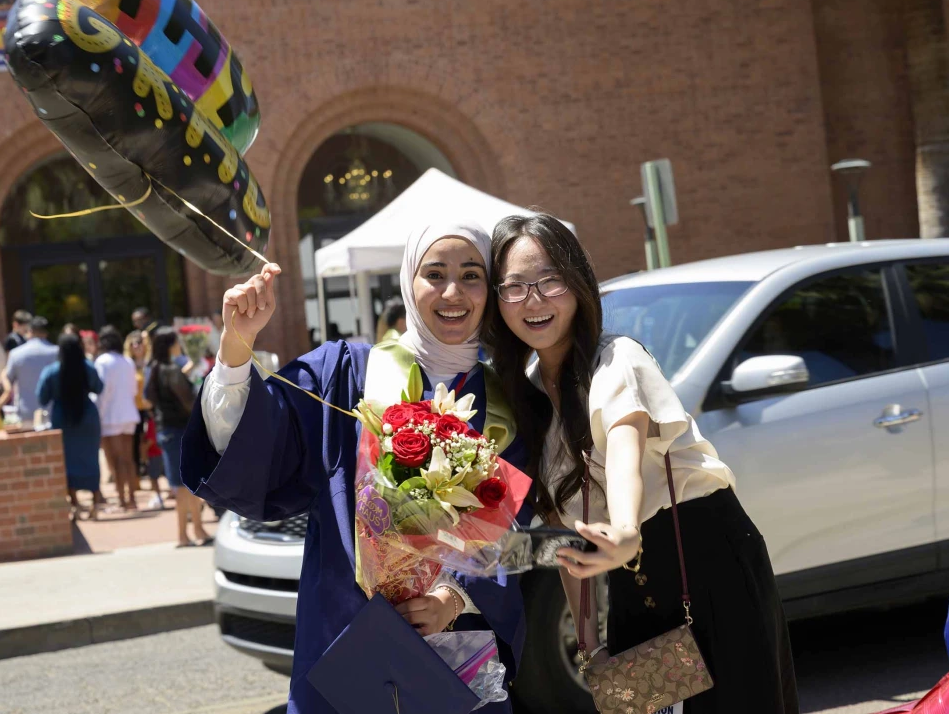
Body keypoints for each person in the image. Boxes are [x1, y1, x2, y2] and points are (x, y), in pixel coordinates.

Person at [181, 222, 531, 714]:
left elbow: (521, 530)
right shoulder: (344, 372)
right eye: (435, 273)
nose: (453, 291)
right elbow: (253, 442)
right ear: (408, 281)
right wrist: (237, 349)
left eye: (472, 275)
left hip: (461, 641)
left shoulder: (510, 399)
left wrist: (453, 597)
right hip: (346, 634)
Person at [485, 214, 799, 714]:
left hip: (708, 564)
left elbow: (625, 442)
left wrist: (626, 528)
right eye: (515, 286)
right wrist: (588, 646)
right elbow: (564, 543)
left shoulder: (618, 358)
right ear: (497, 300)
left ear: (579, 283)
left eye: (550, 279)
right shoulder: (521, 400)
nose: (534, 300)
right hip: (631, 581)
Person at [144, 328, 210, 546]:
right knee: (183, 486)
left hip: (167, 430)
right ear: (170, 345)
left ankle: (197, 530)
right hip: (178, 430)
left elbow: (148, 398)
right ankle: (184, 534)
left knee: (185, 484)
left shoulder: (154, 368)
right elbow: (188, 400)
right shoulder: (170, 370)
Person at [37, 333, 105, 521]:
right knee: (91, 459)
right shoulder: (88, 367)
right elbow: (99, 388)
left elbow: (42, 397)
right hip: (87, 418)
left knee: (67, 462)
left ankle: (74, 504)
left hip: (62, 419)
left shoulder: (52, 371)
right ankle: (96, 502)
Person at [95, 327, 141, 512]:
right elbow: (133, 390)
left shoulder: (102, 362)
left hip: (109, 416)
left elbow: (102, 393)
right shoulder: (127, 361)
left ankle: (123, 500)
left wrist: (98, 415)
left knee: (115, 461)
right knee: (128, 459)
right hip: (128, 414)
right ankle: (131, 498)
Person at [0, 316, 58, 424]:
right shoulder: (57, 353)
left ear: (30, 331)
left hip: (26, 414)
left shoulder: (16, 354)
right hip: (53, 412)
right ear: (46, 333)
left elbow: (8, 379)